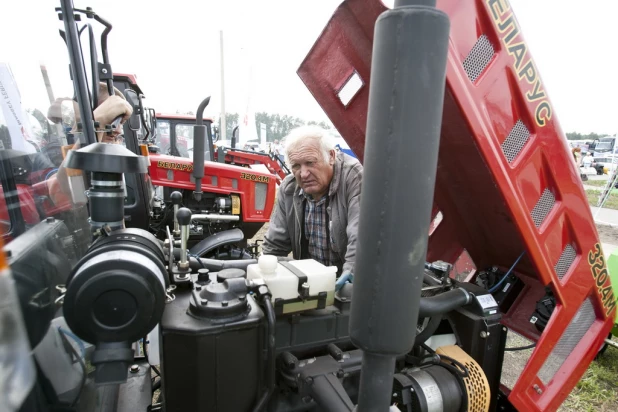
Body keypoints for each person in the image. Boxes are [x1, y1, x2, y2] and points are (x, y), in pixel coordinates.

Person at [261, 125, 363, 285]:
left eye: (310, 163)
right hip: (310, 286)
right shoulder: (289, 189)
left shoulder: (353, 178)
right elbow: (274, 246)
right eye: (296, 166)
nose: (303, 174)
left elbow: (360, 239)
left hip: (346, 286)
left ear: (331, 156)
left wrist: (350, 276)